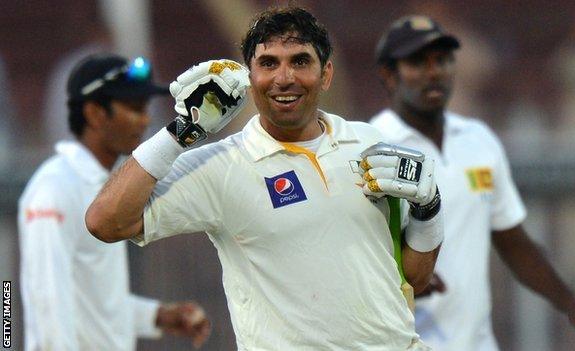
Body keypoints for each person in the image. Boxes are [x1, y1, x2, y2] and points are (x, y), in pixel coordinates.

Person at [85, 6, 445, 350]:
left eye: (300, 61)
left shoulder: (368, 143)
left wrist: (429, 210)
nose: (284, 78)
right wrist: (180, 132)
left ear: (326, 74)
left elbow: (414, 277)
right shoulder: (222, 165)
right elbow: (105, 221)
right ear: (250, 77)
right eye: (268, 63)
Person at [370, 15, 575, 351]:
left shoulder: (478, 140)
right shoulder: (375, 144)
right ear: (388, 74)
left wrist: (572, 306)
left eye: (441, 60)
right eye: (417, 62)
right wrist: (408, 273)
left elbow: (513, 240)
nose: (433, 72)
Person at [18, 54, 211, 351]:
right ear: (95, 113)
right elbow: (47, 298)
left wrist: (157, 316)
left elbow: (94, 301)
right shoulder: (54, 188)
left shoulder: (101, 186)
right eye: (134, 108)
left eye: (145, 108)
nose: (145, 119)